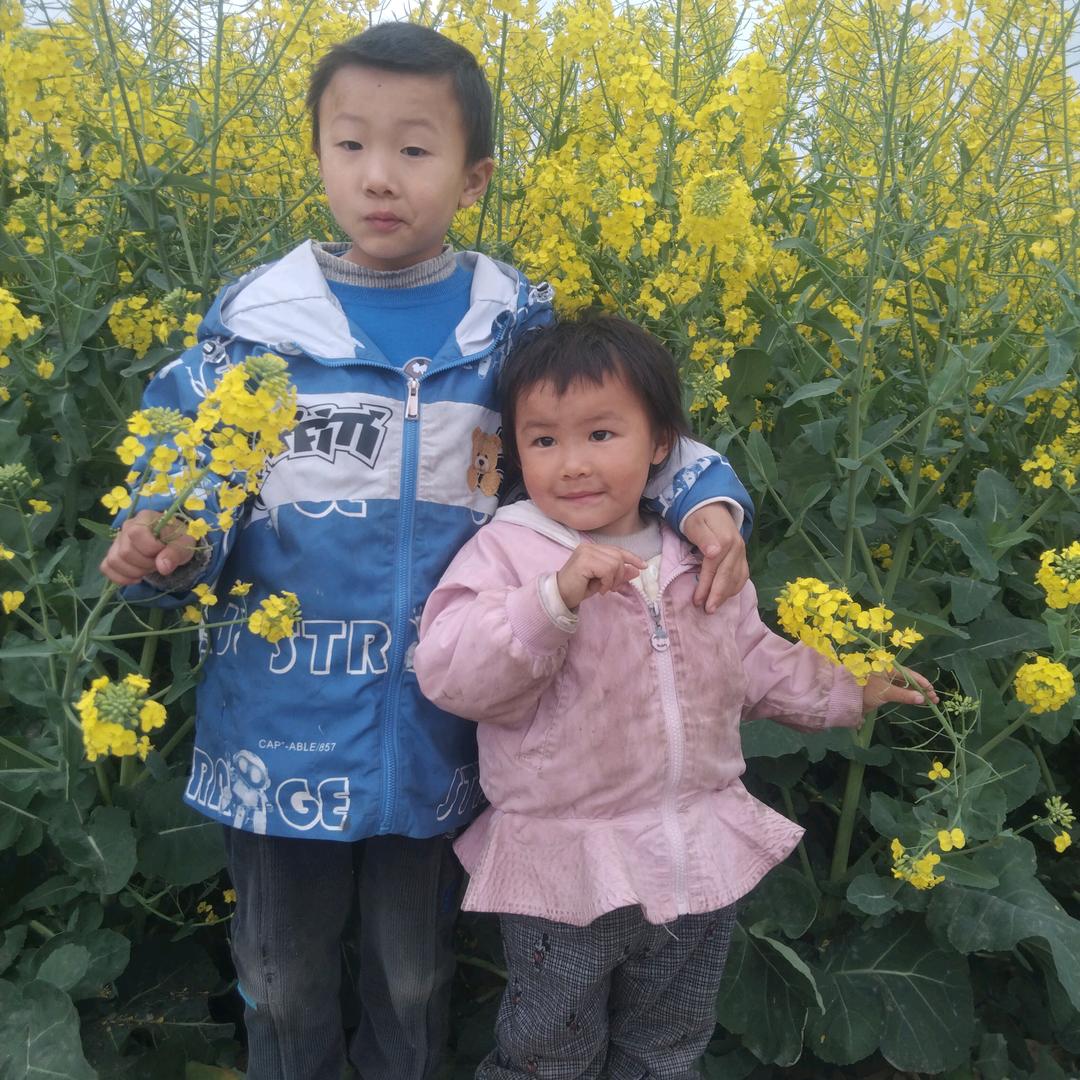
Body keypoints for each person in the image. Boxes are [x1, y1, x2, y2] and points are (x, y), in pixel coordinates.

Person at [97, 24, 756, 1080]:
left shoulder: (507, 324)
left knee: (415, 976)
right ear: (315, 154)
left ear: (473, 175)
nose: (378, 178)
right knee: (277, 974)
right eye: (350, 145)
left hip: (439, 726)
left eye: (414, 150)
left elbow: (612, 430)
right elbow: (186, 473)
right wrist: (164, 537)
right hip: (279, 727)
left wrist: (708, 503)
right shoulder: (255, 333)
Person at [413, 314, 936, 1080]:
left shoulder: (699, 553)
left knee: (667, 1048)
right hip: (568, 865)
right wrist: (550, 601)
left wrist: (846, 691)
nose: (572, 465)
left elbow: (750, 662)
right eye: (544, 440)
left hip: (697, 852)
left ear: (662, 445)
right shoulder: (509, 550)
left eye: (601, 434)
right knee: (547, 1055)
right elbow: (451, 672)